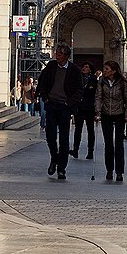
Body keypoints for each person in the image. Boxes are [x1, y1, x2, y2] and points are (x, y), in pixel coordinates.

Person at [36, 43, 84, 181]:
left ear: (66, 56)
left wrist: (69, 103)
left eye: (60, 54)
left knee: (64, 138)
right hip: (51, 104)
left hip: (64, 107)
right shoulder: (51, 66)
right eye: (56, 53)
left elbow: (79, 90)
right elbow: (42, 81)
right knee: (50, 136)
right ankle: (54, 158)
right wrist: (45, 97)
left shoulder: (74, 70)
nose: (57, 56)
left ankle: (61, 168)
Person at [94, 60, 127, 182]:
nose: (104, 71)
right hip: (106, 114)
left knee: (119, 144)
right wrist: (98, 112)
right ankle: (109, 170)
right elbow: (98, 97)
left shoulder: (123, 82)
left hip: (119, 114)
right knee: (108, 143)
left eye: (106, 69)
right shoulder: (102, 81)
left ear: (113, 71)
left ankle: (119, 171)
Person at [71, 62, 97, 160]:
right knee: (78, 129)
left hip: (90, 108)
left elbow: (96, 93)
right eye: (83, 66)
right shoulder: (78, 78)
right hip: (79, 107)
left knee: (90, 130)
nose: (84, 68)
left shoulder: (94, 79)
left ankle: (90, 151)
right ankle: (75, 150)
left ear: (90, 69)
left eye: (86, 67)